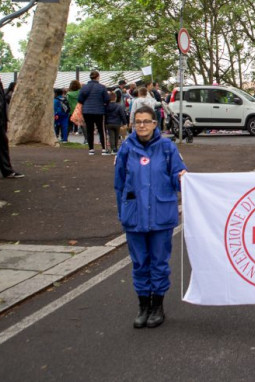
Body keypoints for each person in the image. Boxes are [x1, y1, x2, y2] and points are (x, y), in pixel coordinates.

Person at [115, 105, 187, 329]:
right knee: (139, 263)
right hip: (134, 216)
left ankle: (157, 306)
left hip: (160, 215)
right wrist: (123, 212)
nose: (142, 125)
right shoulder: (126, 148)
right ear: (133, 124)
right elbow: (119, 185)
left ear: (155, 123)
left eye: (146, 121)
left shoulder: (167, 148)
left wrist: (182, 177)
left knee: (159, 262)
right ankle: (143, 305)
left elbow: (178, 179)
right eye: (138, 122)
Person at [78, 70, 110, 156]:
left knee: (89, 130)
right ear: (98, 77)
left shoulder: (84, 87)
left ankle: (91, 149)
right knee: (101, 130)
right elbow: (107, 99)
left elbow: (80, 99)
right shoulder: (102, 87)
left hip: (87, 111)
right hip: (99, 111)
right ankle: (104, 149)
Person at [104, 89, 129, 155]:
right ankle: (115, 148)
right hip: (117, 123)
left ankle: (113, 148)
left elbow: (105, 115)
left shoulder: (106, 106)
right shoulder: (119, 106)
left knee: (111, 136)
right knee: (116, 136)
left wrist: (105, 123)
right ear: (115, 98)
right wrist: (125, 123)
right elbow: (122, 115)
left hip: (109, 123)